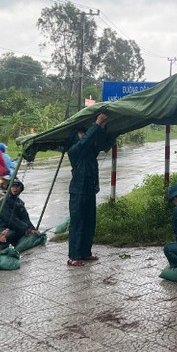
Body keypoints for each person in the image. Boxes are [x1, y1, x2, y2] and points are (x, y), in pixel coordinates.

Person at [67, 113, 110, 267]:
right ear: (75, 137)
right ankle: (74, 256)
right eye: (81, 133)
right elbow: (85, 141)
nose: (84, 135)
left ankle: (85, 252)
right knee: (77, 223)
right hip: (78, 191)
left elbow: (101, 143)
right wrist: (96, 124)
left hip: (89, 190)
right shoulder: (74, 151)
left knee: (89, 222)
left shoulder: (91, 152)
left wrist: (102, 127)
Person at [0, 178, 38, 247]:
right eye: (13, 186)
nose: (15, 189)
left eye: (17, 187)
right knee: (10, 234)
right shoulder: (4, 202)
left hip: (15, 227)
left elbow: (25, 218)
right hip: (1, 228)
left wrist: (32, 229)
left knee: (32, 235)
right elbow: (10, 219)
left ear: (20, 188)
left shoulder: (20, 202)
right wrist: (25, 229)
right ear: (9, 188)